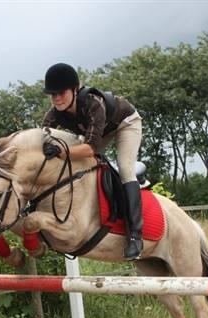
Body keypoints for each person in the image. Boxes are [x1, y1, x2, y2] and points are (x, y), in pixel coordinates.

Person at [40, 62, 144, 260]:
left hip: (125, 123)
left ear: (74, 89)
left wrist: (62, 151)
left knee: (125, 168)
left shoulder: (92, 102)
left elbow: (90, 148)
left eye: (61, 93)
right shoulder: (53, 114)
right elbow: (41, 139)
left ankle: (135, 237)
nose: (56, 98)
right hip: (97, 132)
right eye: (52, 94)